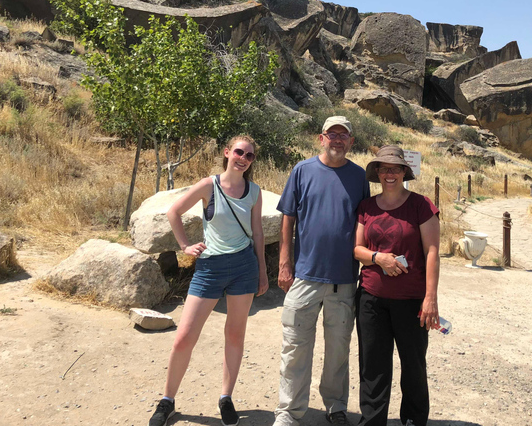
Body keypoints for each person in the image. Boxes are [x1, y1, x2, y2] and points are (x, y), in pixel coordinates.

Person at [148, 135, 269, 426]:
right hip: (210, 267)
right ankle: (167, 400)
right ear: (227, 153)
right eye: (239, 152)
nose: (243, 158)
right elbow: (173, 211)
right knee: (185, 336)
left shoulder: (254, 191)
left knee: (235, 334)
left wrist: (263, 272)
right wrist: (185, 246)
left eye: (249, 156)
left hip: (243, 266)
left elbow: (258, 233)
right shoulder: (209, 185)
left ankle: (226, 398)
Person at [273, 116, 370, 426]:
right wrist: (284, 263)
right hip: (304, 275)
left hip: (343, 279)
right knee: (295, 348)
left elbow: (364, 223)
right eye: (332, 134)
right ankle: (289, 412)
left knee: (338, 351)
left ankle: (336, 406)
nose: (338, 140)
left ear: (351, 142)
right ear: (321, 138)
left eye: (344, 135)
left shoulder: (358, 177)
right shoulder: (302, 171)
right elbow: (288, 218)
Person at [353, 145, 441, 426]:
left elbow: (432, 252)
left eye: (395, 168)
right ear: (377, 172)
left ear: (404, 171)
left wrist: (430, 298)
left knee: (413, 366)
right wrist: (380, 258)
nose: (389, 174)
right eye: (384, 168)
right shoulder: (366, 207)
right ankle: (372, 421)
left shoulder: (421, 205)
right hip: (371, 298)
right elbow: (357, 250)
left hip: (411, 300)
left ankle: (413, 420)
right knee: (373, 367)